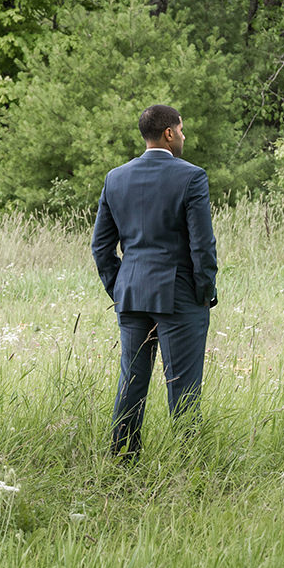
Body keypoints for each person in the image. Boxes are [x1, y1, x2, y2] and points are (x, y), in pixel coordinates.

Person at [91, 104, 219, 458]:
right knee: (183, 387)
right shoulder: (192, 176)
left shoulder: (115, 177)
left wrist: (118, 286)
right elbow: (203, 245)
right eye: (181, 130)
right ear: (168, 133)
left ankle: (122, 460)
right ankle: (190, 464)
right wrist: (204, 291)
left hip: (131, 294)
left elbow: (101, 246)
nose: (183, 136)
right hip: (179, 295)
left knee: (131, 383)